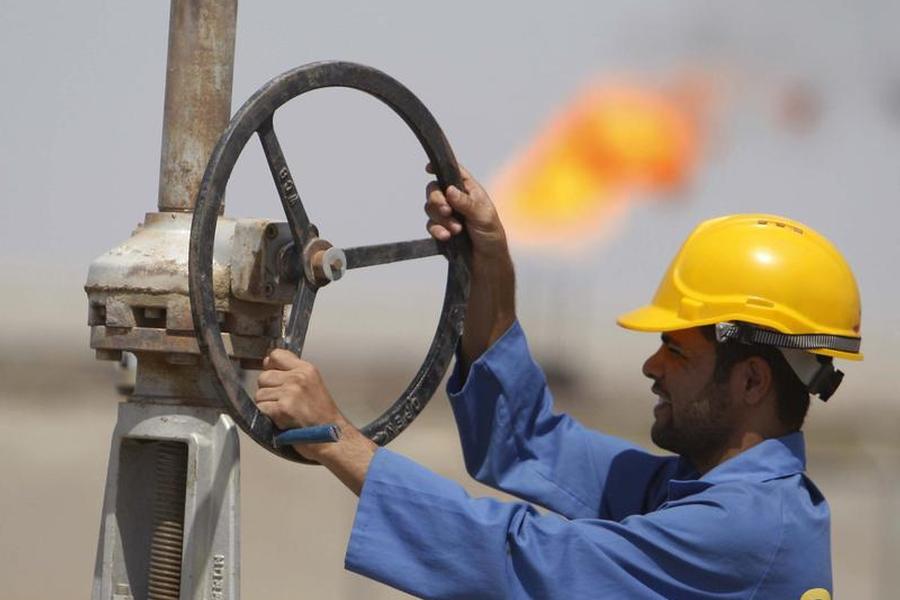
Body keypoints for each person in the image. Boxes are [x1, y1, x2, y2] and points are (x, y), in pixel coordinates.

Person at [254, 166, 861, 600]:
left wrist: (338, 439)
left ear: (752, 380)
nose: (651, 366)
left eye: (676, 350)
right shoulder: (703, 491)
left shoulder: (744, 530)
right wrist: (490, 262)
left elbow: (526, 562)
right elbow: (528, 444)